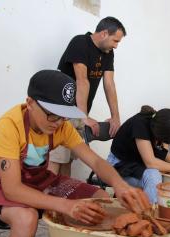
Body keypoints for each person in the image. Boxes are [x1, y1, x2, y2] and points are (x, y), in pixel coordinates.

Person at [0, 70, 150, 237]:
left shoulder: (62, 126)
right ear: (30, 103)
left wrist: (120, 185)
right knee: (27, 218)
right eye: (52, 115)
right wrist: (66, 206)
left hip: (38, 179)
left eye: (64, 116)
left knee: (100, 200)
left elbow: (96, 162)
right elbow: (12, 189)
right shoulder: (9, 126)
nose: (57, 123)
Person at [49, 16, 126, 175]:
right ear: (104, 33)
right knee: (57, 158)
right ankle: (45, 197)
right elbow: (82, 80)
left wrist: (115, 117)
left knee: (68, 159)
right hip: (61, 111)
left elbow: (109, 84)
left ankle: (65, 196)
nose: (116, 46)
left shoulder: (108, 53)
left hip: (77, 112)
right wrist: (84, 116)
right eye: (115, 41)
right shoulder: (80, 42)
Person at [107, 105, 170, 203]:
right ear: (159, 134)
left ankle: (154, 208)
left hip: (136, 162)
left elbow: (161, 152)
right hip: (118, 165)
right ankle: (148, 213)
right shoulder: (140, 124)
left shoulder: (156, 123)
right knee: (153, 175)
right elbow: (151, 163)